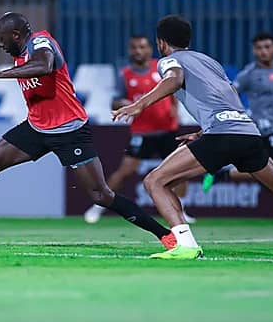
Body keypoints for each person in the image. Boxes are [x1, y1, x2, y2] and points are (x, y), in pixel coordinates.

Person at [112, 15, 273, 259]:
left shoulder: (168, 61)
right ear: (189, 41)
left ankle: (186, 245)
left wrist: (140, 104)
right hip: (248, 132)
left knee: (155, 181)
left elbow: (174, 78)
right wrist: (204, 131)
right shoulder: (209, 61)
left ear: (160, 42)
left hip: (222, 135)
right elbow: (230, 96)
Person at [0, 12, 177, 251]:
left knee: (100, 195)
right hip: (36, 127)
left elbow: (44, 65)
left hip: (69, 130)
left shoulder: (41, 42)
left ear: (16, 35)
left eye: (1, 38)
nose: (0, 44)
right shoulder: (19, 54)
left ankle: (164, 234)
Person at [201, 32, 273, 226]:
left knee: (267, 171)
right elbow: (231, 92)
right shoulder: (249, 74)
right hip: (262, 126)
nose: (263, 52)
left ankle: (224, 173)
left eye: (267, 47)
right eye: (259, 48)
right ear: (254, 51)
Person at [83, 34, 195, 224]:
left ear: (150, 49)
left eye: (142, 47)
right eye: (134, 47)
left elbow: (174, 90)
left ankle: (181, 210)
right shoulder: (125, 75)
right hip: (142, 132)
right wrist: (123, 102)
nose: (138, 51)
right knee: (125, 171)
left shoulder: (161, 67)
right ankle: (99, 206)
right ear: (130, 50)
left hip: (168, 129)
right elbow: (114, 100)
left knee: (181, 171)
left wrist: (174, 110)